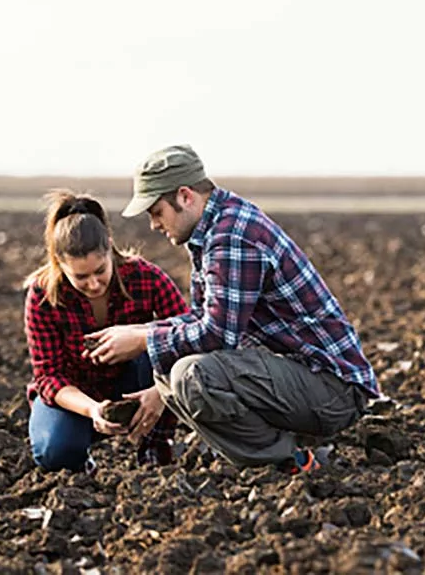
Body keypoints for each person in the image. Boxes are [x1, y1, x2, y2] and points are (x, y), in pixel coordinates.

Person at [84, 144, 380, 474]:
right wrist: (143, 338)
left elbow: (216, 335)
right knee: (169, 364)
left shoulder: (232, 236)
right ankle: (281, 447)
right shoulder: (213, 229)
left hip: (333, 390)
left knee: (190, 375)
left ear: (185, 197)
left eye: (156, 212)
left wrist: (142, 340)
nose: (153, 225)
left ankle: (292, 461)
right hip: (301, 377)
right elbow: (204, 317)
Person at [23, 189, 190, 471]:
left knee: (160, 344)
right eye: (80, 277)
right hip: (76, 393)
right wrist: (92, 409)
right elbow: (48, 375)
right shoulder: (43, 295)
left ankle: (155, 449)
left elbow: (189, 334)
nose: (93, 284)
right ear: (59, 263)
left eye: (100, 270)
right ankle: (81, 461)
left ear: (109, 248)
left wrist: (161, 392)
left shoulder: (145, 277)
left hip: (137, 382)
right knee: (55, 453)